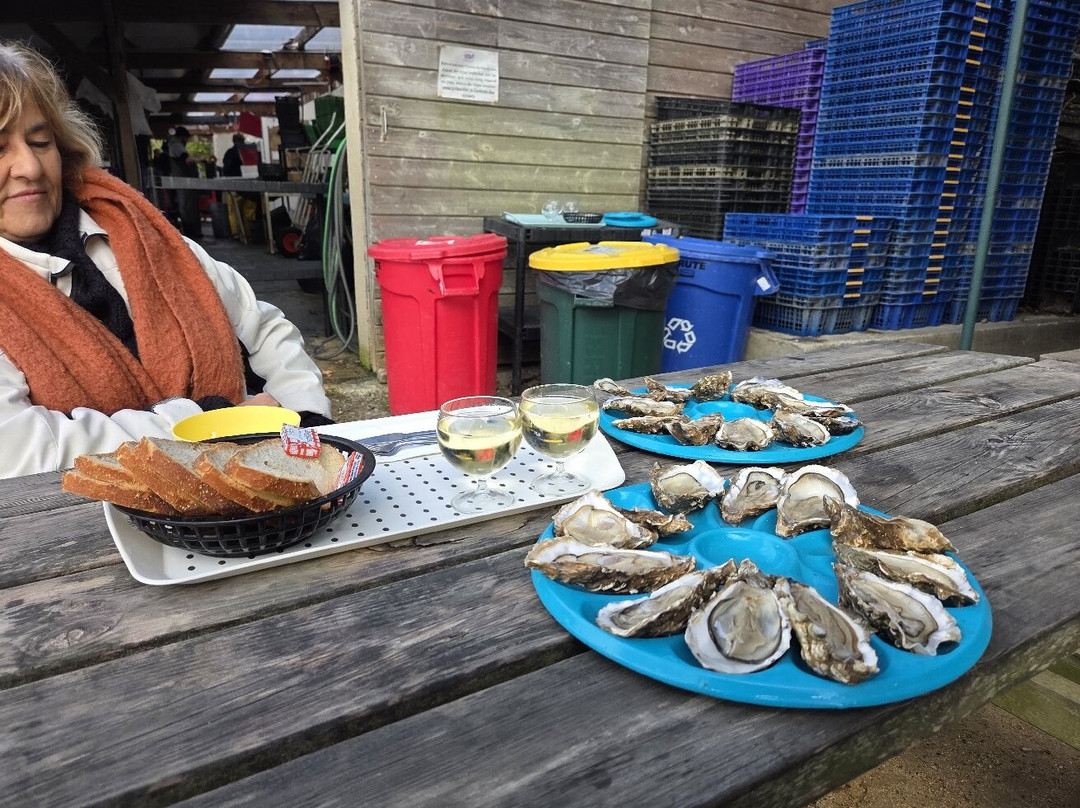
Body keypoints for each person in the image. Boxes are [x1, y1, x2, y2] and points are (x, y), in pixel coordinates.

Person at [0, 41, 333, 478]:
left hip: (251, 485)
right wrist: (208, 426)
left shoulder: (138, 230)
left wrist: (307, 421)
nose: (30, 165)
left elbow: (261, 326)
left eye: (40, 141)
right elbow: (19, 449)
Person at [166, 124, 201, 238]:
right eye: (186, 139)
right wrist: (202, 160)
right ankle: (192, 233)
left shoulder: (173, 145)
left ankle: (191, 231)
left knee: (186, 206)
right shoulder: (176, 145)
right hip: (184, 182)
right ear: (183, 137)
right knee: (187, 207)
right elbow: (188, 159)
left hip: (183, 182)